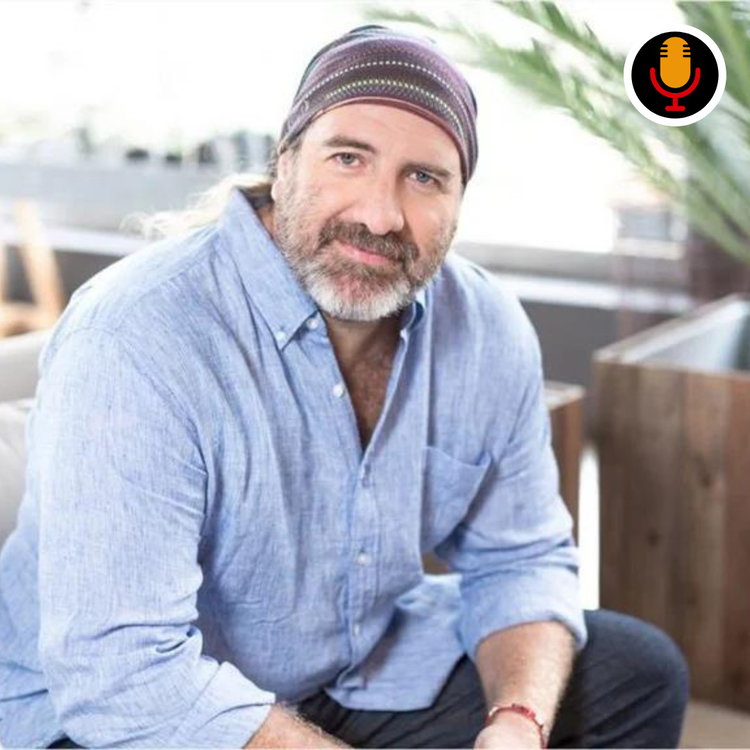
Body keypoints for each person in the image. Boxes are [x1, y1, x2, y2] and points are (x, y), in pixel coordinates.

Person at [0, 25, 688, 749]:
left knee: (636, 674)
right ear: (285, 161)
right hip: (121, 715)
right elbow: (122, 675)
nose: (379, 215)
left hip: (346, 674)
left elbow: (521, 560)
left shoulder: (485, 326)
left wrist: (517, 723)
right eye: (348, 158)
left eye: (424, 178)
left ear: (460, 201)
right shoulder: (137, 335)